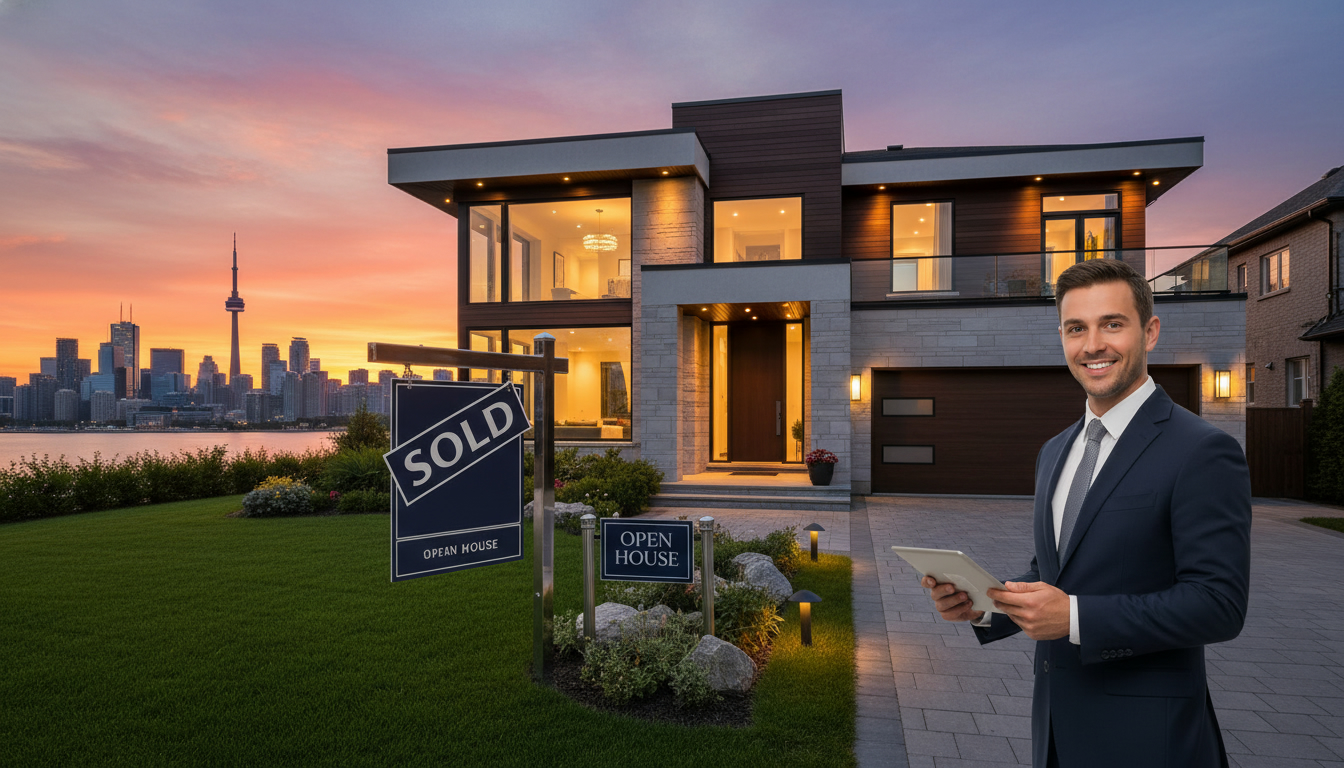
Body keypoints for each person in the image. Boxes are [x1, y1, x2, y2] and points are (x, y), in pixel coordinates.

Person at [922, 258, 1251, 768]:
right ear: (1062, 337)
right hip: (1055, 731)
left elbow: (1218, 604)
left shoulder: (1202, 450)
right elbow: (1054, 573)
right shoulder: (1055, 450)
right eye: (1076, 328)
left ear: (1150, 331)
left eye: (1112, 324)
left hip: (1149, 742)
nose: (1092, 345)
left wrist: (1075, 617)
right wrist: (984, 605)